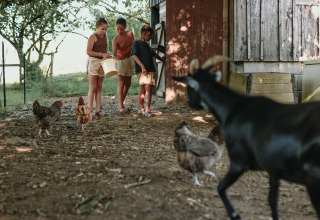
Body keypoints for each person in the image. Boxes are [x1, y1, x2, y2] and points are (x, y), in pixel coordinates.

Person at [131, 24, 165, 117]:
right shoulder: (136, 43)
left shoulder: (147, 45)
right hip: (143, 70)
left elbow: (154, 54)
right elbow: (134, 55)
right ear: (145, 33)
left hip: (150, 69)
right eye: (149, 35)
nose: (150, 38)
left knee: (147, 88)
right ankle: (145, 109)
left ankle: (143, 108)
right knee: (146, 89)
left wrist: (164, 60)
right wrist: (142, 67)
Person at [86, 17, 112, 117]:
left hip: (102, 63)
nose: (104, 31)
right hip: (93, 63)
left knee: (99, 87)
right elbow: (88, 52)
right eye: (102, 29)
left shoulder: (105, 37)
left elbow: (103, 52)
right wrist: (102, 54)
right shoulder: (93, 37)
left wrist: (107, 54)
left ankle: (98, 110)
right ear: (97, 27)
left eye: (106, 29)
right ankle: (90, 111)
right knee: (92, 87)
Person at [112, 17, 135, 113]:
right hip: (120, 61)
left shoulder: (130, 34)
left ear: (125, 27)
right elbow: (114, 54)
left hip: (128, 60)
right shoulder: (115, 39)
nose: (119, 31)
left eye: (121, 28)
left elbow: (133, 46)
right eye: (117, 29)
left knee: (128, 83)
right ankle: (120, 106)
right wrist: (115, 64)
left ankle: (121, 102)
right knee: (121, 83)